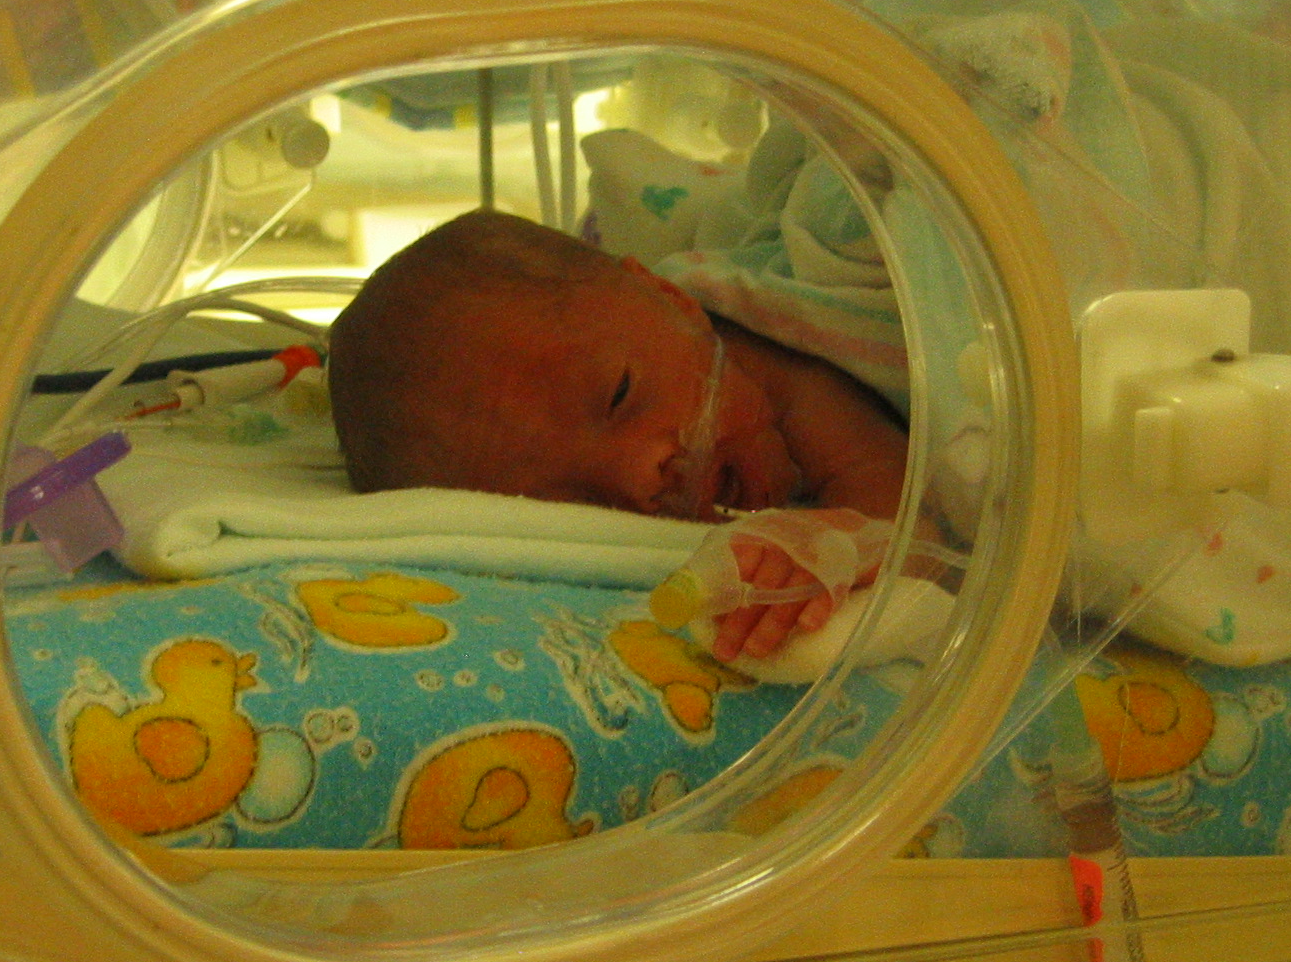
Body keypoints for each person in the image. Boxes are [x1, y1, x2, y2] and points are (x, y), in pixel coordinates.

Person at [325, 209, 907, 663]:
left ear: (672, 298)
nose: (638, 476)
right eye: (576, 502)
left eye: (619, 395)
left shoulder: (778, 369)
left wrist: (833, 545)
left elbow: (909, 514)